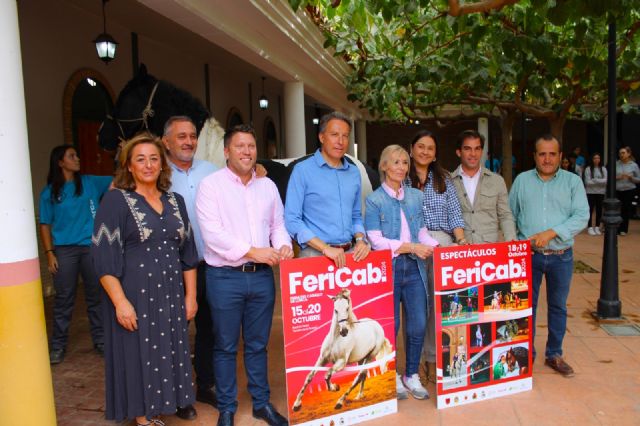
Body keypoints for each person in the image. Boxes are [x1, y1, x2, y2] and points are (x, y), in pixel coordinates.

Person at [91, 133, 198, 425]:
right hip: (134, 293)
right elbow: (103, 258)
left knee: (167, 348)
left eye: (154, 158)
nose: (148, 164)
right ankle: (142, 417)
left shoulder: (175, 201)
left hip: (170, 293)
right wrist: (120, 301)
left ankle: (159, 406)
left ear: (163, 164)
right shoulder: (115, 201)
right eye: (140, 159)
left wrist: (191, 297)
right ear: (128, 166)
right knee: (136, 354)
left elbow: (188, 254)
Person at [196, 124, 292, 426]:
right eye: (240, 146)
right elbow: (213, 236)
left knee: (257, 345)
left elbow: (278, 224)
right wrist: (254, 251)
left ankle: (261, 404)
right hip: (224, 278)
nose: (247, 152)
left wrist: (284, 245)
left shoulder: (268, 186)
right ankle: (226, 407)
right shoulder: (211, 186)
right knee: (224, 345)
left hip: (263, 278)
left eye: (251, 146)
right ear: (227, 151)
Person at [509, 134, 589, 377]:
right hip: (528, 256)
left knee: (557, 307)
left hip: (561, 255)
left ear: (560, 156)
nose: (547, 158)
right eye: (542, 153)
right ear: (534, 156)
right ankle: (525, 355)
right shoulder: (522, 181)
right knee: (524, 308)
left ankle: (554, 354)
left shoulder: (573, 183)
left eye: (552, 153)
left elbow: (581, 216)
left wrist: (552, 232)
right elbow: (510, 215)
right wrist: (516, 243)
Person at [364, 144, 438, 400]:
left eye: (404, 163)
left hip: (415, 266)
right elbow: (375, 240)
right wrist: (411, 247)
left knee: (418, 324)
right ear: (384, 166)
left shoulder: (416, 197)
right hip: (391, 268)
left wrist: (436, 248)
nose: (401, 167)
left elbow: (421, 232)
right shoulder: (374, 200)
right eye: (395, 162)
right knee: (391, 326)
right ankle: (391, 376)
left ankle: (411, 375)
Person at [162, 116, 217, 420]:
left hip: (208, 264)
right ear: (166, 141)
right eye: (181, 136)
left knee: (209, 328)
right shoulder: (157, 174)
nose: (188, 141)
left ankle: (205, 384)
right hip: (171, 268)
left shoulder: (212, 171)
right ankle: (178, 394)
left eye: (192, 135)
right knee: (174, 332)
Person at [39, 145, 112, 364]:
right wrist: (50, 254)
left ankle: (100, 341)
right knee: (64, 299)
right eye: (72, 156)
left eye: (77, 155)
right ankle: (58, 346)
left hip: (90, 247)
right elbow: (44, 224)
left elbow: (119, 179)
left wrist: (124, 151)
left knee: (96, 296)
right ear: (60, 162)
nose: (77, 158)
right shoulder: (50, 192)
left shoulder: (90, 182)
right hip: (64, 251)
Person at [407, 129, 465, 383]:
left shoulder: (444, 179)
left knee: (438, 305)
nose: (425, 151)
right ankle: (415, 361)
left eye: (430, 148)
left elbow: (454, 214)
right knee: (416, 306)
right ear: (411, 149)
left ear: (435, 154)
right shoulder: (401, 176)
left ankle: (432, 357)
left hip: (441, 243)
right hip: (411, 247)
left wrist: (461, 241)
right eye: (420, 146)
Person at [285, 111, 370, 268]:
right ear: (322, 137)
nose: (340, 141)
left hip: (350, 254)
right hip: (314, 255)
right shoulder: (302, 171)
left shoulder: (353, 172)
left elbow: (356, 215)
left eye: (345, 136)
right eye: (334, 134)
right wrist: (325, 248)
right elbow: (292, 220)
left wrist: (360, 240)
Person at [451, 130, 516, 243]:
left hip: (489, 252)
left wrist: (512, 240)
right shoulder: (448, 182)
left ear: (482, 151)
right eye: (467, 149)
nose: (473, 154)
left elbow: (505, 215)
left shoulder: (497, 181)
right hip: (459, 252)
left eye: (477, 148)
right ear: (458, 152)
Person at [616, 146, 640, 236]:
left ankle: (623, 229)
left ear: (628, 154)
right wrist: (618, 177)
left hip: (629, 189)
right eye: (620, 153)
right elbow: (610, 177)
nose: (621, 155)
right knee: (617, 210)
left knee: (625, 210)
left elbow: (638, 179)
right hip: (618, 189)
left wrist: (631, 177)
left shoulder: (633, 165)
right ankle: (616, 228)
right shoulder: (616, 163)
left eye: (623, 153)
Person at [583, 152, 607, 236]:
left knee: (599, 209)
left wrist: (595, 180)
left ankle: (597, 226)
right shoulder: (588, 169)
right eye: (595, 158)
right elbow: (587, 182)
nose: (597, 160)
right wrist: (599, 181)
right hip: (590, 192)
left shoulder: (603, 168)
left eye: (598, 158)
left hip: (600, 192)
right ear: (592, 159)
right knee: (590, 209)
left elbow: (605, 181)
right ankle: (589, 227)